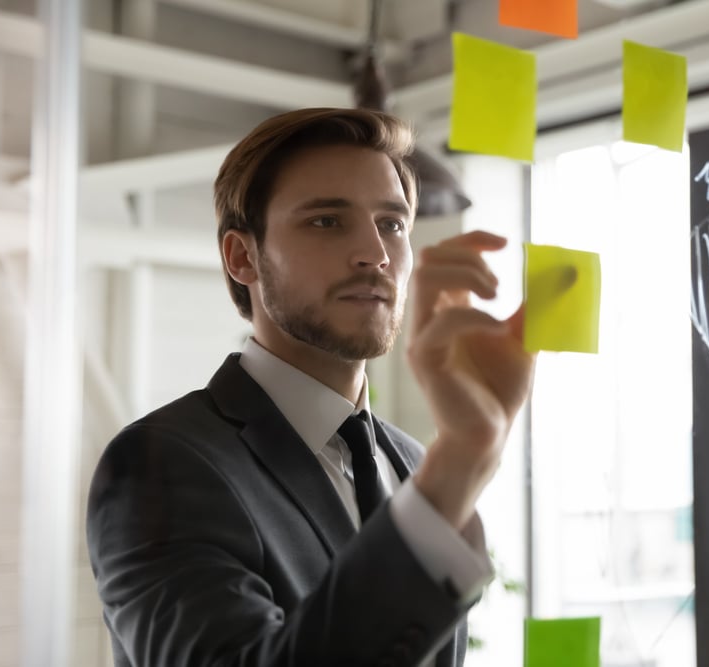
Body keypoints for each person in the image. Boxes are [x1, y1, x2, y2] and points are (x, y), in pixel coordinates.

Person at [86, 107, 536, 667]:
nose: (375, 253)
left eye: (392, 224)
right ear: (242, 256)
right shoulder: (158, 466)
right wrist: (464, 458)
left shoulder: (418, 467)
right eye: (327, 221)